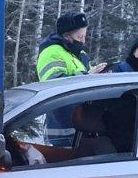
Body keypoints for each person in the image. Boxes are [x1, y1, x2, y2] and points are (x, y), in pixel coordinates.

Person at [36, 12, 107, 146]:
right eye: (80, 36)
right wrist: (88, 77)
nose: (83, 41)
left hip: (81, 126)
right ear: (66, 35)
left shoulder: (80, 55)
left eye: (85, 36)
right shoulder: (51, 52)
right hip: (61, 128)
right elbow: (54, 84)